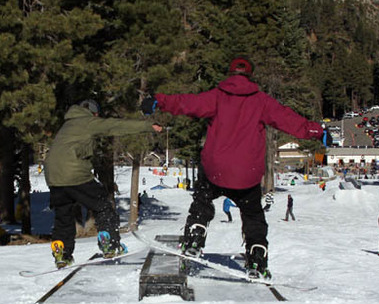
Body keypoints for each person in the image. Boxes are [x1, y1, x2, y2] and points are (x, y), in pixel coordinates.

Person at [141, 57, 326, 278]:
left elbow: (187, 103)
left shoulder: (216, 97)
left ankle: (196, 232)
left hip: (216, 171)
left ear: (230, 73)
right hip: (246, 175)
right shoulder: (262, 102)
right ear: (250, 76)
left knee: (202, 198)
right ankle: (257, 253)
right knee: (253, 215)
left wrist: (158, 101)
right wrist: (318, 132)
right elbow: (290, 120)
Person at [45, 99, 162, 268]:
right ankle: (110, 242)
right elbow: (114, 125)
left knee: (63, 215)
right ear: (93, 113)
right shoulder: (87, 121)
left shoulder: (67, 125)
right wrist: (148, 126)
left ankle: (62, 252)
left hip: (53, 176)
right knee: (103, 205)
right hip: (74, 172)